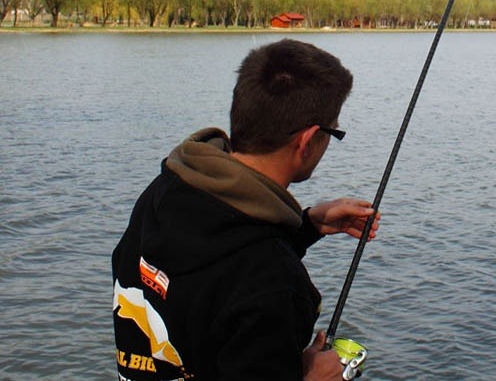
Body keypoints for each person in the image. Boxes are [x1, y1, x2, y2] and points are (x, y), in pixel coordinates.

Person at [112, 39, 379, 381]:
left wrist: (306, 226)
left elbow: (208, 277)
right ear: (308, 140)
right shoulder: (275, 282)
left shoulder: (164, 193)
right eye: (333, 133)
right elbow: (245, 277)